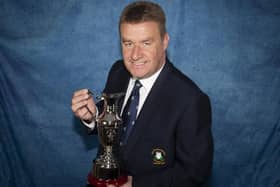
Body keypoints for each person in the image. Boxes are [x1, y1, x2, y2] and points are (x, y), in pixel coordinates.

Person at [71, 1, 213, 187]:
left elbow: (195, 172)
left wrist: (136, 185)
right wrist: (92, 116)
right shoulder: (118, 72)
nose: (135, 55)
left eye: (146, 43)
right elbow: (112, 124)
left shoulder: (191, 100)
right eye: (128, 43)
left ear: (164, 42)